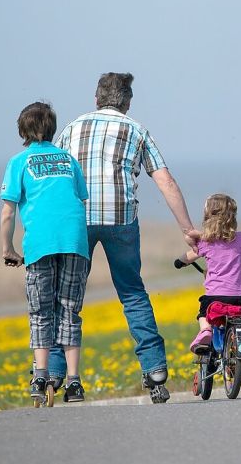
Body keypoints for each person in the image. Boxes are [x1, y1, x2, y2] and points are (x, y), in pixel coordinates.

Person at [51, 72, 200, 404]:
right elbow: (166, 182)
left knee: (68, 298)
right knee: (132, 293)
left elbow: (56, 178)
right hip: (121, 220)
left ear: (96, 98)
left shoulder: (72, 128)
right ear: (128, 102)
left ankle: (58, 373)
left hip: (79, 219)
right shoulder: (136, 130)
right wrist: (188, 230)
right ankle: (155, 370)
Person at [0, 102, 91, 404]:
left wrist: (8, 249)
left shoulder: (19, 161)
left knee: (41, 311)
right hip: (75, 241)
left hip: (40, 245)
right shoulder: (67, 159)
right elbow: (79, 198)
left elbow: (7, 213)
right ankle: (74, 382)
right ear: (52, 128)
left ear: (22, 130)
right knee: (69, 310)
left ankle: (40, 375)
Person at [172, 194, 241, 354]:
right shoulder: (240, 239)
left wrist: (180, 262)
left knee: (203, 313)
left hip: (215, 296)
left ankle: (205, 330)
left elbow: (188, 257)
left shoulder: (206, 241)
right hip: (240, 297)